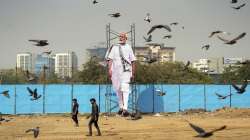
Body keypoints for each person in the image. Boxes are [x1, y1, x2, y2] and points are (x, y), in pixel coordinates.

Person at [105, 32, 136, 117]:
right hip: (116, 72)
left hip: (126, 71)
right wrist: (109, 70)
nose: (121, 38)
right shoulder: (115, 47)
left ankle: (125, 109)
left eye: (123, 37)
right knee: (118, 89)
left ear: (126, 38)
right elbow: (110, 59)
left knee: (125, 88)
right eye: (120, 37)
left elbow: (133, 60)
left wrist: (133, 72)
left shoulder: (129, 47)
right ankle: (121, 108)